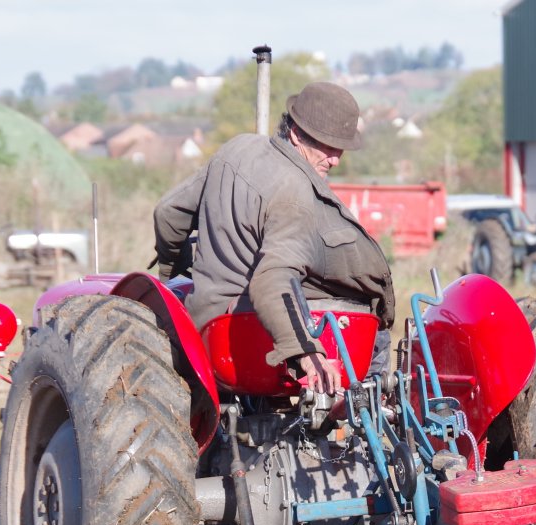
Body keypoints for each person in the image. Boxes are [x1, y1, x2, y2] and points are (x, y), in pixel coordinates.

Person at [153, 81, 393, 395]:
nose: (335, 159)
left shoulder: (236, 148)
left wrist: (175, 274)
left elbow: (168, 212)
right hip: (248, 336)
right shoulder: (293, 194)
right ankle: (360, 427)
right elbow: (273, 280)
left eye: (340, 148)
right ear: (295, 133)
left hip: (205, 328)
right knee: (377, 336)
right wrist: (306, 351)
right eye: (327, 146)